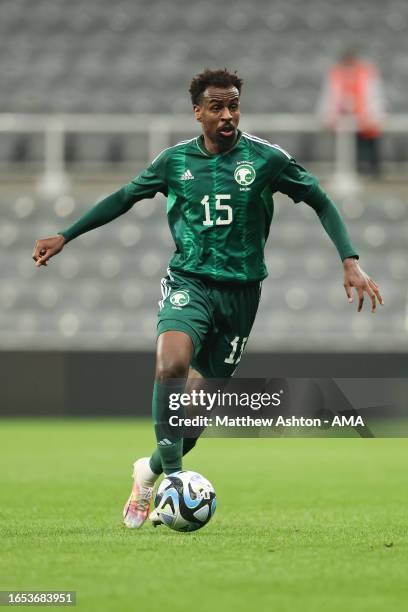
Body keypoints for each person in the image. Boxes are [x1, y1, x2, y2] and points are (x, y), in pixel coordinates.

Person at [32, 68, 384, 530]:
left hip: (240, 295)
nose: (227, 114)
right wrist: (67, 234)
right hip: (189, 282)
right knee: (171, 364)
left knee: (190, 424)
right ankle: (174, 480)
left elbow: (319, 199)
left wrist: (350, 259)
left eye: (233, 105)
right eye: (216, 106)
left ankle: (148, 473)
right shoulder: (174, 162)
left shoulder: (266, 160)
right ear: (197, 111)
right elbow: (123, 198)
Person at [318, 51, 385, 177]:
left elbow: (374, 95)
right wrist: (328, 116)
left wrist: (374, 116)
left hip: (365, 120)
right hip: (343, 120)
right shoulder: (335, 74)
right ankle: (350, 171)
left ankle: (371, 171)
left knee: (368, 147)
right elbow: (329, 96)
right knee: (346, 149)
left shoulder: (367, 73)